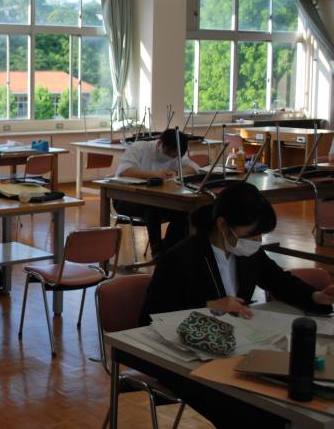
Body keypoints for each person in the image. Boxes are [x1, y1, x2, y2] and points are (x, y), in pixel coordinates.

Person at [138, 182, 334, 429]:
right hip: (187, 360)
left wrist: (315, 296)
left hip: (235, 351)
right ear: (222, 225)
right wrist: (208, 305)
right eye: (251, 234)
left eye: (260, 235)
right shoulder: (180, 259)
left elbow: (279, 281)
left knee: (282, 400)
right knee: (254, 412)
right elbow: (149, 318)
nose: (256, 241)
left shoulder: (248, 253)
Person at [113, 128, 200, 257]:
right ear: (159, 143)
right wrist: (154, 174)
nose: (171, 157)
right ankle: (157, 251)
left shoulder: (176, 151)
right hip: (127, 199)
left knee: (184, 210)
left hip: (161, 199)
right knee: (152, 206)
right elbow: (124, 171)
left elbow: (193, 168)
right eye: (168, 153)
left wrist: (176, 172)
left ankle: (170, 248)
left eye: (174, 156)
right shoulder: (139, 148)